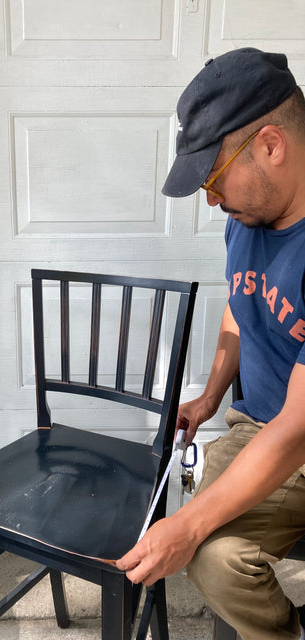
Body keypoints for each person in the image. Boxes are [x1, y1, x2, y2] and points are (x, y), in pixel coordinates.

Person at [116, 47, 305, 640]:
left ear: (271, 145)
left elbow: (297, 428)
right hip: (261, 426)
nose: (210, 199)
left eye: (214, 177)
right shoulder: (247, 216)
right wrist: (209, 397)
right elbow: (240, 305)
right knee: (181, 529)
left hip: (296, 439)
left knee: (211, 556)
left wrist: (192, 528)